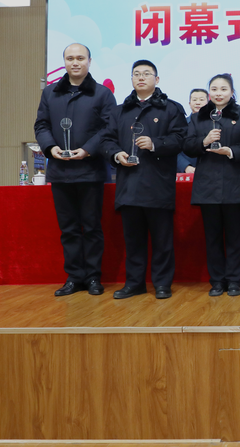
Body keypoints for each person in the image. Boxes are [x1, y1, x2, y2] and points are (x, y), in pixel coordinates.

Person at [34, 43, 116, 297]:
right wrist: (51, 148)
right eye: (70, 58)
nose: (75, 62)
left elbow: (109, 129)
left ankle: (93, 278)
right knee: (68, 228)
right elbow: (41, 125)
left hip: (90, 170)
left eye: (80, 58)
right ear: (64, 62)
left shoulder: (102, 94)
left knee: (91, 227)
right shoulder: (50, 93)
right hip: (60, 170)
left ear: (89, 61)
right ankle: (74, 278)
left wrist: (88, 149)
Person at [101, 60, 187, 300]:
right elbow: (106, 140)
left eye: (147, 74)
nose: (141, 77)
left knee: (162, 240)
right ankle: (134, 283)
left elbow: (181, 139)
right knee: (133, 240)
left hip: (158, 185)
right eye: (136, 74)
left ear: (156, 80)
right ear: (131, 79)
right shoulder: (119, 111)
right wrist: (116, 154)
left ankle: (162, 284)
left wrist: (155, 143)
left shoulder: (171, 109)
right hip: (129, 185)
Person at [183, 73, 240, 297]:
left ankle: (234, 280)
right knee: (212, 238)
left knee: (235, 238)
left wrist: (231, 151)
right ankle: (216, 281)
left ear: (232, 92)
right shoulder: (198, 118)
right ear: (209, 93)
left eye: (223, 89)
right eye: (214, 89)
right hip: (207, 186)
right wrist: (203, 142)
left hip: (235, 184)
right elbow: (187, 146)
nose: (218, 93)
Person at [177, 88, 208, 173]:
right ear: (189, 104)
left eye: (201, 99)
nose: (198, 102)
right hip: (186, 172)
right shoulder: (181, 124)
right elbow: (174, 148)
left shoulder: (215, 124)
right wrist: (186, 166)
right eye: (194, 100)